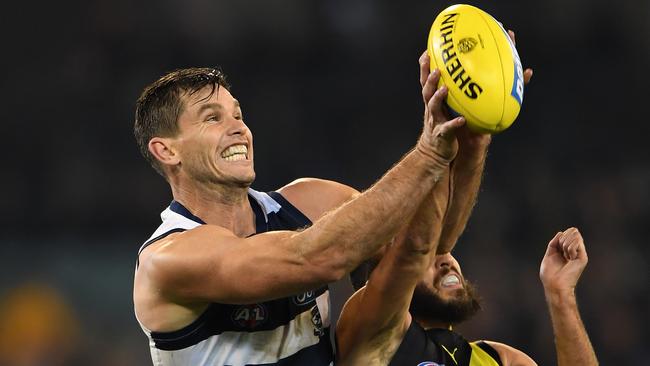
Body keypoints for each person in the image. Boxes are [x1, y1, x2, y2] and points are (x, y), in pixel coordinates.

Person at [131, 51, 475, 364]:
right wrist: (428, 156)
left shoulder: (308, 201)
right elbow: (316, 257)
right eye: (212, 119)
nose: (238, 128)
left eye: (238, 114)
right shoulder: (168, 260)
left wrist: (471, 137)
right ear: (167, 151)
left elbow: (425, 246)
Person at [336, 225, 598, 366]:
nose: (446, 261)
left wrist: (560, 295)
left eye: (446, 249)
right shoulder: (369, 338)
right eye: (425, 256)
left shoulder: (499, 359)